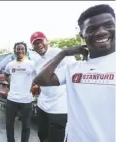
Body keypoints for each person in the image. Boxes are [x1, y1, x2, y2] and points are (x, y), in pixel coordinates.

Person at [33, 4, 115, 142]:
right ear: (82, 35)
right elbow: (41, 80)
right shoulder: (73, 68)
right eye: (92, 29)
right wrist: (63, 53)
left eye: (108, 25)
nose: (101, 32)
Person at [29, 31, 76, 142]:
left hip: (59, 107)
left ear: (47, 41)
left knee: (57, 139)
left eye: (41, 41)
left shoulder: (59, 53)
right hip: (42, 105)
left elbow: (73, 74)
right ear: (33, 47)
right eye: (35, 43)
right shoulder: (36, 61)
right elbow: (38, 81)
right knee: (42, 136)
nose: (39, 44)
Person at [4, 42, 35, 142]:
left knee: (26, 126)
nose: (20, 51)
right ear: (15, 51)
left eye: (22, 49)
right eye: (18, 49)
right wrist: (9, 85)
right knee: (9, 124)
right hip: (12, 99)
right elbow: (6, 74)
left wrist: (34, 85)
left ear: (25, 51)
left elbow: (39, 76)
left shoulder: (32, 64)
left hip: (26, 100)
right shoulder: (10, 64)